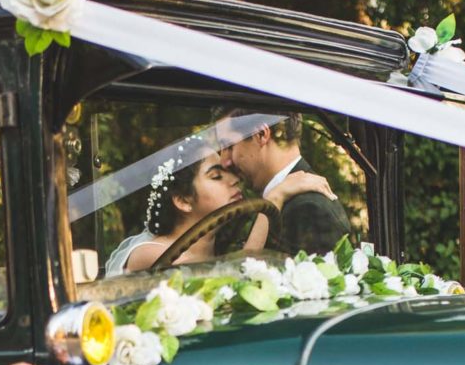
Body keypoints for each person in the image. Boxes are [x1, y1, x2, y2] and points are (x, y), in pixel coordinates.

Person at [119, 140, 333, 275]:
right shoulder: (150, 255)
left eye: (229, 173)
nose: (233, 180)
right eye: (216, 176)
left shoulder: (226, 248)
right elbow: (235, 280)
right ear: (183, 200)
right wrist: (275, 196)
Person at [213, 108, 353, 255]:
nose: (224, 162)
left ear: (261, 134)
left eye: (229, 146)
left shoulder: (308, 209)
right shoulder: (284, 202)